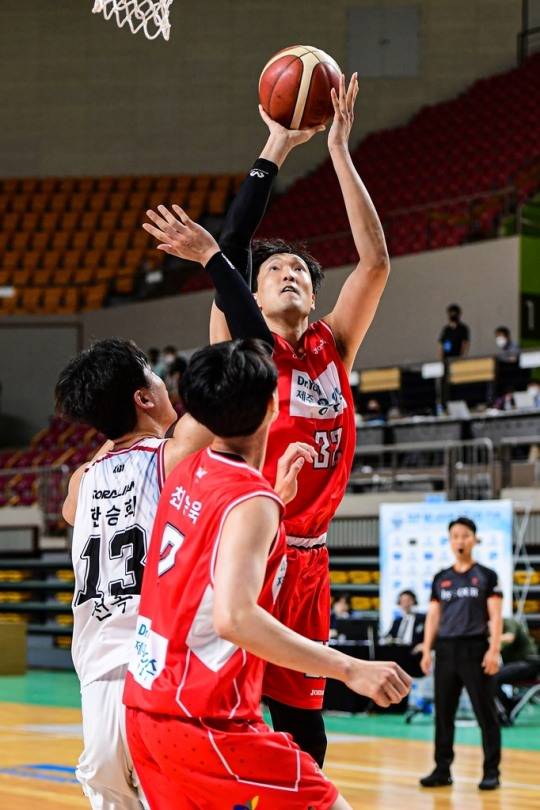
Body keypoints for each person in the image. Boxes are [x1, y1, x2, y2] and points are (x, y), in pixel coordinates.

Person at [143, 72, 391, 767]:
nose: (288, 273)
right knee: (227, 714)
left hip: (310, 558)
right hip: (250, 539)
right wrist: (275, 146)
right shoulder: (242, 342)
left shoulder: (331, 345)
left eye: (301, 271)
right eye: (274, 268)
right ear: (248, 290)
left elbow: (374, 261)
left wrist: (339, 149)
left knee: (305, 731)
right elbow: (234, 243)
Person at [123, 338, 411, 810]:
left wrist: (274, 497)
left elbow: (209, 568)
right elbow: (234, 617)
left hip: (145, 709)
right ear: (274, 405)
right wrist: (350, 667)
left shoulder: (185, 470)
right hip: (205, 719)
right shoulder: (251, 501)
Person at [56, 253, 276, 810]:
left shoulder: (81, 483)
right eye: (154, 374)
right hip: (161, 674)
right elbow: (232, 373)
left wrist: (111, 426)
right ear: (144, 397)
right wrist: (222, 262)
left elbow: (71, 506)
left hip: (96, 677)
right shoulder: (174, 454)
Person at [419, 516, 503, 792]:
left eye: (465, 535)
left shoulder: (487, 575)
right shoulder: (441, 579)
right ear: (450, 540)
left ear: (474, 539)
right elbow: (433, 616)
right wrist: (427, 650)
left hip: (475, 648)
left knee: (485, 713)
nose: (460, 540)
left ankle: (491, 771)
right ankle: (442, 770)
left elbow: (496, 615)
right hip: (446, 649)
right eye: (455, 536)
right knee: (444, 714)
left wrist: (494, 650)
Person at [492, 616, 538, 725]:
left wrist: (491, 639)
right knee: (486, 676)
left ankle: (509, 705)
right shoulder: (491, 629)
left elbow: (509, 637)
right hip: (514, 665)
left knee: (491, 676)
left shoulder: (508, 622)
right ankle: (508, 705)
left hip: (530, 663)